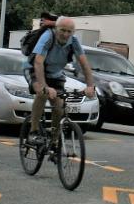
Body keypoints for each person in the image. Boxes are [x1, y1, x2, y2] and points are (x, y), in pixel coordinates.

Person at [27, 17, 95, 147]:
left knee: (59, 106)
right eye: (62, 30)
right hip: (35, 69)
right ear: (56, 29)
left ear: (73, 32)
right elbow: (38, 62)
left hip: (55, 74)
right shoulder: (48, 37)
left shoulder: (73, 42)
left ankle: (54, 140)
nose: (65, 34)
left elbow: (85, 65)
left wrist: (90, 86)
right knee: (42, 93)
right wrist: (45, 86)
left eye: (69, 31)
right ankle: (33, 131)